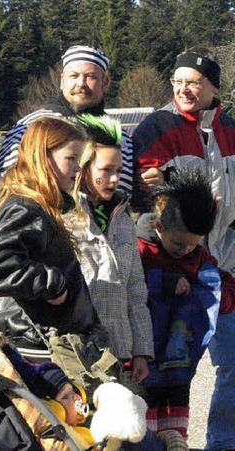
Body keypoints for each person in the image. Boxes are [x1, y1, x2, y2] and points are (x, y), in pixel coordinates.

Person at [132, 47, 235, 450]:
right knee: (163, 371)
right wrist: (148, 184)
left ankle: (223, 442)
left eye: (193, 82)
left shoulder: (230, 128)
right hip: (174, 268)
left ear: (212, 85)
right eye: (178, 82)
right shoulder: (156, 126)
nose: (184, 89)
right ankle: (152, 444)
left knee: (232, 366)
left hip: (225, 264)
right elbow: (137, 196)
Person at [0, 117, 98, 361]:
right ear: (43, 157)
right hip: (36, 342)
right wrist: (53, 284)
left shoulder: (41, 207)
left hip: (48, 339)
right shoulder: (25, 207)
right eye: (72, 158)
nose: (78, 168)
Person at [136, 169, 233, 439]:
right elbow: (133, 283)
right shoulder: (141, 250)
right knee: (141, 414)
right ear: (159, 226)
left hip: (178, 359)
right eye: (179, 243)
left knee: (174, 416)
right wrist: (164, 280)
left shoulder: (198, 258)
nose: (185, 251)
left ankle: (174, 441)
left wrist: (215, 295)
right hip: (144, 351)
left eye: (193, 245)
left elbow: (222, 289)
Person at [66, 114, 153, 387]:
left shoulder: (124, 220)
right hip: (77, 350)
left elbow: (136, 291)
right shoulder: (65, 216)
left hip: (121, 353)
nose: (115, 178)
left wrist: (141, 351)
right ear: (84, 166)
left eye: (119, 170)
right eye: (106, 170)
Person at [0, 45, 133, 195]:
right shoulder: (31, 125)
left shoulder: (120, 137)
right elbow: (5, 183)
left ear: (105, 83)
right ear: (62, 80)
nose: (81, 83)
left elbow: (128, 195)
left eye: (90, 76)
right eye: (74, 76)